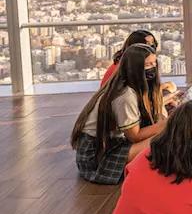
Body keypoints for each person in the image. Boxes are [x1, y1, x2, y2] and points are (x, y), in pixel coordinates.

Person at [71, 44, 168, 185]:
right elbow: (135, 136)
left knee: (164, 130)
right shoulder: (125, 96)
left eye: (154, 63)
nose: (153, 68)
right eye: (148, 65)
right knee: (166, 137)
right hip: (97, 157)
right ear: (135, 68)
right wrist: (168, 124)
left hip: (110, 144)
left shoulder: (129, 88)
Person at [100, 29, 176, 95]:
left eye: (152, 43)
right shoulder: (127, 65)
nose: (151, 46)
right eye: (146, 44)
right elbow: (139, 91)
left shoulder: (124, 60)